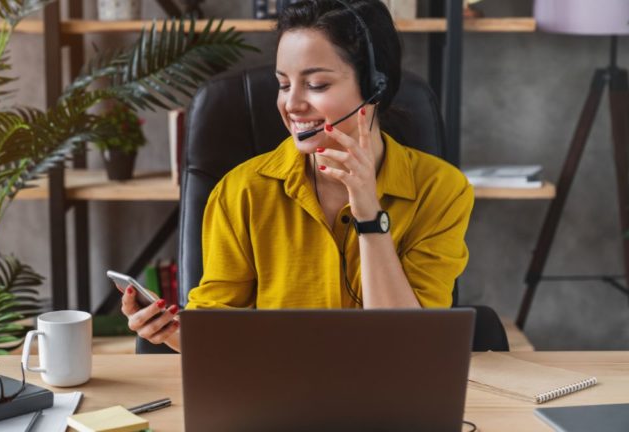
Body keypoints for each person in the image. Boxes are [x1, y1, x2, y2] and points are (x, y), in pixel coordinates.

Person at [121, 0, 473, 353]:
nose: (292, 105)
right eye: (283, 84)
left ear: (375, 87)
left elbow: (407, 345)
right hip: (276, 392)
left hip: (390, 395)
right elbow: (218, 327)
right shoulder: (241, 191)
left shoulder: (441, 190)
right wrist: (168, 332)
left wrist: (369, 215)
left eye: (317, 85)